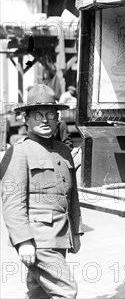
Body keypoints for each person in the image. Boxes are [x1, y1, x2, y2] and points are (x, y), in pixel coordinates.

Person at [1, 84, 84, 299]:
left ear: (58, 119)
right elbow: (12, 202)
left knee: (39, 294)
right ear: (26, 119)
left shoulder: (64, 151)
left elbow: (72, 196)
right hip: (38, 240)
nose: (45, 120)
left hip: (60, 237)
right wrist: (23, 241)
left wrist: (75, 232)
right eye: (38, 115)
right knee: (66, 291)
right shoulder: (19, 152)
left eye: (50, 114)